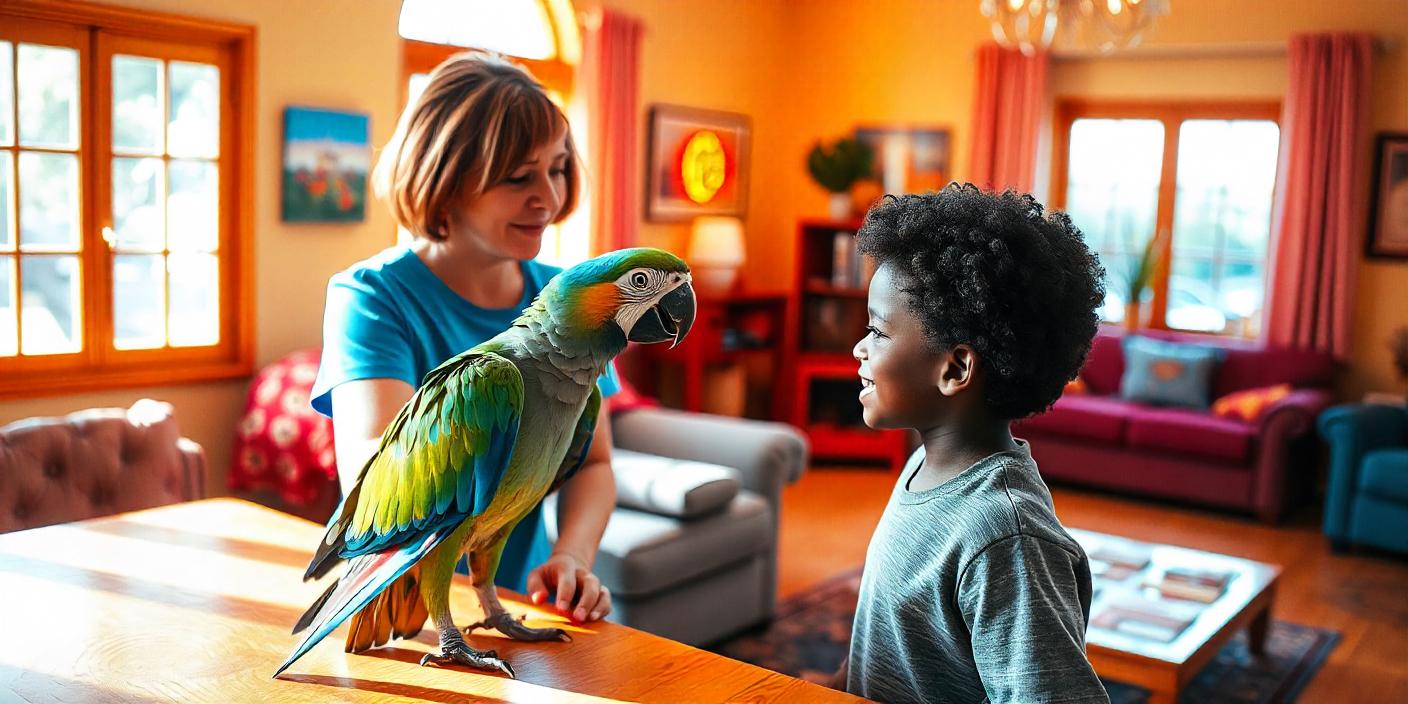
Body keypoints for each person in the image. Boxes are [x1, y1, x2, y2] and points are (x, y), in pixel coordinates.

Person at [310, 52, 616, 625]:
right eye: (519, 177)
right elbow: (375, 472)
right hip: (405, 613)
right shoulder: (371, 296)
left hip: (515, 609)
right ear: (445, 180)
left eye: (557, 168)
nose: (548, 198)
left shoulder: (571, 301)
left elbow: (594, 462)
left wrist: (571, 556)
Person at [836, 184, 1111, 703]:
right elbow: (892, 640)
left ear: (956, 368)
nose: (859, 347)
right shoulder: (925, 465)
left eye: (878, 331)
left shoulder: (1006, 536)